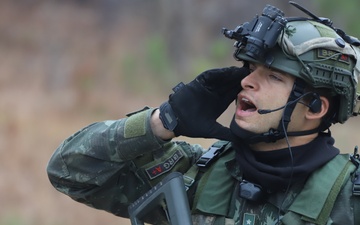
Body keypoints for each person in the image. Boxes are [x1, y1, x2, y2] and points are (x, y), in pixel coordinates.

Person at [47, 3, 360, 225]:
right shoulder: (195, 175)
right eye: (251, 69)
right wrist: (162, 121)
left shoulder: (349, 198)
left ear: (316, 107)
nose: (247, 82)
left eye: (274, 77)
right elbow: (68, 171)